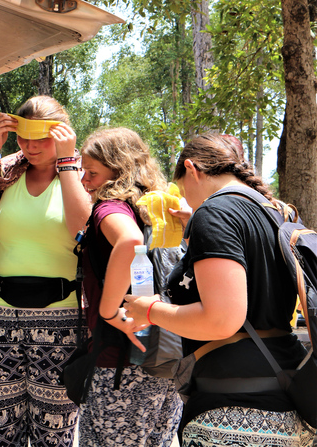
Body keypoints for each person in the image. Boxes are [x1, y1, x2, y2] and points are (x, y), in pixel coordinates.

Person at [124, 132, 316, 446]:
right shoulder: (274, 211)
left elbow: (221, 319)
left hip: (235, 406)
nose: (184, 197)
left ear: (191, 168)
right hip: (285, 388)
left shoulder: (214, 213)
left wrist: (148, 310)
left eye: (182, 188)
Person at [0, 96, 91, 447]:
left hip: (60, 321)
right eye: (22, 137)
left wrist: (68, 162)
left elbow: (82, 227)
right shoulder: (7, 173)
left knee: (52, 439)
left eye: (41, 138)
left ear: (61, 134)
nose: (29, 146)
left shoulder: (84, 175)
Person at [76, 127, 182, 446]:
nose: (84, 180)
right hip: (166, 356)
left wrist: (108, 312)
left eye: (92, 173)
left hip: (119, 363)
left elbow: (130, 241)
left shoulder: (110, 208)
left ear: (118, 170)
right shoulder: (158, 209)